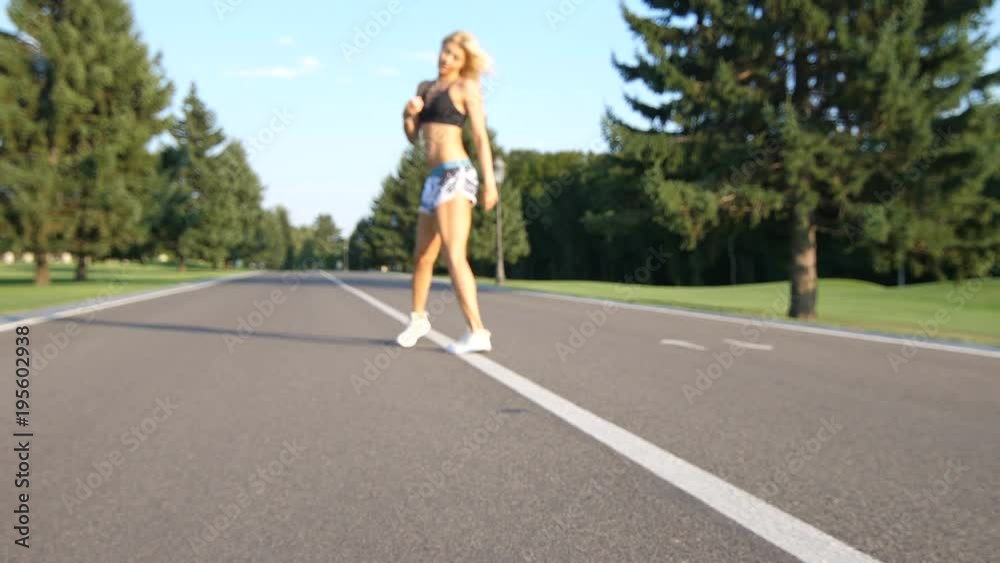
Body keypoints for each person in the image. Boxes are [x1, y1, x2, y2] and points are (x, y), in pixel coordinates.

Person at [395, 31, 499, 354]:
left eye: (454, 55)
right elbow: (413, 137)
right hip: (433, 178)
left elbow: (479, 137)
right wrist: (408, 114)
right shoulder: (425, 89)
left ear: (464, 61)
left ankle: (477, 330)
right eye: (444, 52)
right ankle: (418, 319)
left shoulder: (466, 88)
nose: (446, 59)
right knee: (422, 256)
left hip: (457, 173)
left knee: (454, 254)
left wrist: (490, 182)